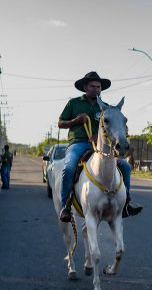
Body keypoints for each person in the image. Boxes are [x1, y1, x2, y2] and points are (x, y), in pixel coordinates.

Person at [57, 71, 142, 222]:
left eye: (99, 87)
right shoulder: (74, 103)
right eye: (93, 86)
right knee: (69, 167)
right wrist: (75, 120)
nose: (96, 89)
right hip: (78, 143)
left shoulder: (107, 108)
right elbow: (60, 123)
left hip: (102, 146)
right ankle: (65, 205)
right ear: (85, 87)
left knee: (125, 166)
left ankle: (127, 203)